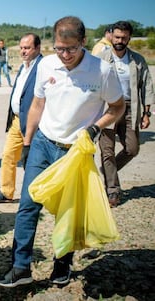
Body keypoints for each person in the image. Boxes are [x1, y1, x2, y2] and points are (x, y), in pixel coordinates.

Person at [0, 16, 125, 288]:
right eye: (59, 49)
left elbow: (117, 107)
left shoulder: (101, 71)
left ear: (83, 42)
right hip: (43, 143)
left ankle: (62, 263)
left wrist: (95, 128)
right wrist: (28, 143)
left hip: (75, 152)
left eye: (71, 49)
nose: (65, 55)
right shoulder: (46, 65)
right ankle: (20, 267)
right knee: (27, 205)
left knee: (67, 212)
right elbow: (37, 106)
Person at [97, 21, 155, 207]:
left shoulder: (137, 60)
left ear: (129, 37)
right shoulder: (101, 58)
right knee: (107, 151)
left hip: (130, 107)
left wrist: (147, 113)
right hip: (107, 108)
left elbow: (146, 85)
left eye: (124, 37)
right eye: (117, 37)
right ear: (111, 36)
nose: (120, 40)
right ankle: (112, 190)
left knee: (132, 149)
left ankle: (107, 171)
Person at [0, 33, 42, 204]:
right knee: (8, 155)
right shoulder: (23, 67)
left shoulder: (42, 67)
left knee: (32, 160)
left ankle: (38, 194)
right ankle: (6, 191)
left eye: (27, 48)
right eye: (21, 48)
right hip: (16, 121)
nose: (23, 51)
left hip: (34, 122)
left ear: (38, 48)